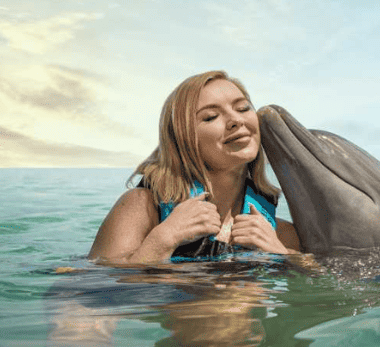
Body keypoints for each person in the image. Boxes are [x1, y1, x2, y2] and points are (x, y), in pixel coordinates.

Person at [88, 70, 302, 263]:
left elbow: (316, 286)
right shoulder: (142, 208)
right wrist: (165, 238)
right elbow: (94, 288)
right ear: (183, 139)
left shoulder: (279, 234)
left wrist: (278, 253)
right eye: (211, 117)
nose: (236, 120)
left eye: (243, 108)